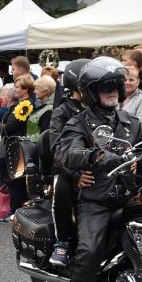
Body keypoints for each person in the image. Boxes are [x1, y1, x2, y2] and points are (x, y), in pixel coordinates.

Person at [55, 57, 142, 282]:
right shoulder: (78, 123)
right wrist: (96, 157)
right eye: (105, 88)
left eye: (115, 86)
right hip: (98, 200)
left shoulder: (130, 122)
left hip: (131, 195)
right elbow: (66, 152)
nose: (112, 91)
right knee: (89, 250)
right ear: (90, 92)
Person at [48, 59, 92, 266]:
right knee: (63, 189)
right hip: (69, 168)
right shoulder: (62, 111)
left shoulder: (100, 108)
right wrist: (75, 175)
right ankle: (62, 242)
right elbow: (57, 148)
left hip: (98, 165)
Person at [0, 74, 35, 220]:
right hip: (21, 145)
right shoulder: (28, 102)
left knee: (15, 180)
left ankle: (15, 211)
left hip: (17, 146)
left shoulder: (24, 105)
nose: (15, 90)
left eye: (17, 87)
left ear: (26, 88)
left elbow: (10, 127)